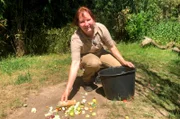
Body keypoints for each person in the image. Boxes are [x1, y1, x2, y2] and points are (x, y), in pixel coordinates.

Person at [61, 6, 135, 101]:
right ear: (78, 24)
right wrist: (67, 90)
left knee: (118, 67)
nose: (86, 24)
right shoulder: (76, 38)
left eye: (88, 20)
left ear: (93, 19)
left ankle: (98, 74)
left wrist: (123, 61)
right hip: (86, 57)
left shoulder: (101, 28)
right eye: (82, 22)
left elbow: (111, 47)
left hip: (101, 52)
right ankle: (87, 81)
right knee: (94, 63)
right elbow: (75, 63)